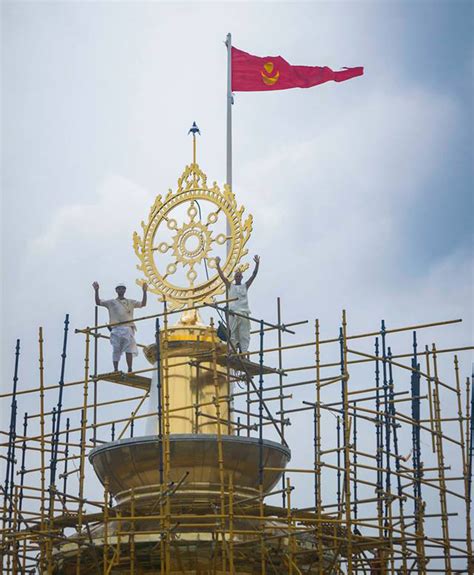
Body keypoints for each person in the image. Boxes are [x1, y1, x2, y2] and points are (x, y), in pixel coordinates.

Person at [92, 281, 147, 373]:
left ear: (125, 290)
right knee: (116, 349)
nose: (121, 290)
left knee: (129, 349)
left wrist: (144, 291)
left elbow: (143, 304)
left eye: (122, 288)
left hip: (128, 328)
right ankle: (116, 369)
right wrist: (96, 290)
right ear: (116, 290)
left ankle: (130, 369)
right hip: (116, 329)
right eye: (119, 288)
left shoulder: (131, 302)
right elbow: (98, 302)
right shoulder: (111, 302)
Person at [215, 255, 260, 354]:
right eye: (237, 276)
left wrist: (257, 264)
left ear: (242, 277)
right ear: (234, 278)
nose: (238, 277)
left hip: (243, 313)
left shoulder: (245, 286)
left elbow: (254, 275)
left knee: (244, 334)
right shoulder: (230, 286)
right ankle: (231, 351)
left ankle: (243, 352)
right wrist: (217, 265)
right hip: (233, 314)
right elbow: (222, 276)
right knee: (232, 334)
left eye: (239, 276)